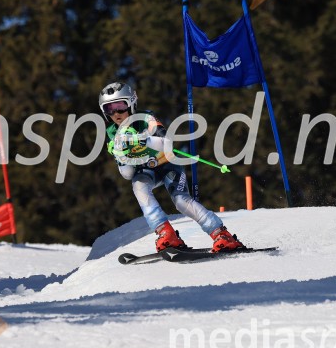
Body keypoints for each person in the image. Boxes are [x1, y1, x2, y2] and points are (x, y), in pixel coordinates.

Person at [99, 81, 245, 253]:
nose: (116, 113)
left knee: (181, 201)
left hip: (168, 166)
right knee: (138, 186)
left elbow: (167, 143)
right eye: (109, 109)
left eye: (120, 106)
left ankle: (221, 235)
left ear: (132, 103)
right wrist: (121, 156)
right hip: (146, 172)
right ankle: (166, 234)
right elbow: (127, 174)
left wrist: (143, 139)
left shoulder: (146, 119)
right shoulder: (112, 134)